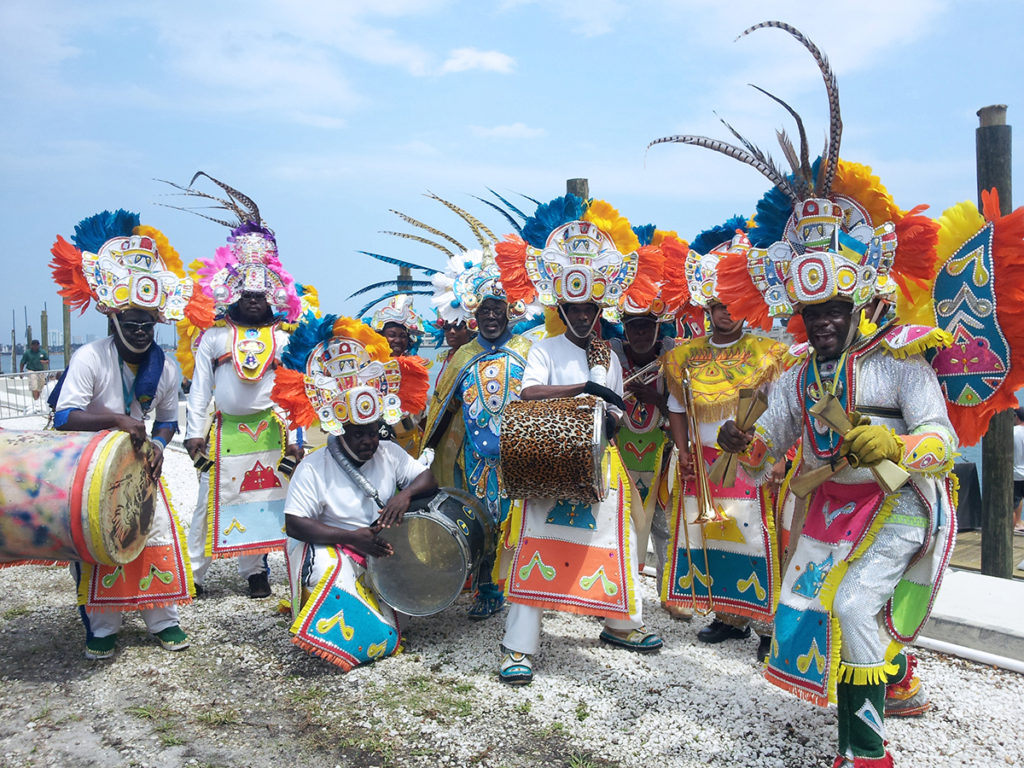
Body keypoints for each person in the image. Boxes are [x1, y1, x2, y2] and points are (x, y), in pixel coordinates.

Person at [493, 196, 665, 685]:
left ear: (599, 307)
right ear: (561, 306)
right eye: (575, 306)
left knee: (616, 540)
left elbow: (613, 408)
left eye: (591, 306)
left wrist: (609, 414)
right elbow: (527, 393)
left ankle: (619, 624)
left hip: (597, 462)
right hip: (547, 462)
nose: (585, 313)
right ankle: (519, 647)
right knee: (535, 544)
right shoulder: (542, 348)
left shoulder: (605, 354)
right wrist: (582, 390)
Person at [49, 209, 200, 659]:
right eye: (130, 322)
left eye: (147, 324)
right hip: (87, 466)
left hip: (138, 465)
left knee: (151, 534)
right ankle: (102, 626)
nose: (139, 331)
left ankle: (162, 619)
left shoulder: (167, 367)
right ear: (113, 319)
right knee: (99, 543)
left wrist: (156, 444)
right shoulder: (91, 357)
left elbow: (169, 419)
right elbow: (65, 417)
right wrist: (116, 420)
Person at [271, 315, 432, 670]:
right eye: (358, 434)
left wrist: (403, 497)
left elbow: (427, 479)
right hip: (329, 545)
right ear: (341, 430)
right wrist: (351, 538)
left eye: (373, 432)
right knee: (330, 573)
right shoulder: (315, 464)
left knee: (400, 608)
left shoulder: (388, 452)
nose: (368, 441)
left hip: (372, 545)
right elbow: (295, 524)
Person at [659, 223, 789, 661]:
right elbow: (677, 410)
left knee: (757, 539)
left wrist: (778, 458)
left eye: (733, 304)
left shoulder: (768, 355)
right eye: (718, 305)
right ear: (708, 307)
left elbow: (783, 411)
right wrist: (682, 452)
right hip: (702, 461)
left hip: (753, 459)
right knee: (716, 537)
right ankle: (729, 617)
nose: (726, 313)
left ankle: (769, 627)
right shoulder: (684, 357)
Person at [179, 183, 305, 599]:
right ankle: (192, 572)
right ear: (233, 292)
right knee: (208, 501)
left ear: (273, 295)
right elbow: (199, 391)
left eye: (260, 294)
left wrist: (296, 439)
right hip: (224, 433)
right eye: (246, 294)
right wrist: (193, 432)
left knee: (264, 500)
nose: (253, 301)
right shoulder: (214, 338)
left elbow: (293, 393)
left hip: (270, 432)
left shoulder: (284, 342)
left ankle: (256, 571)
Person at [421, 240, 533, 619]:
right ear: (474, 314)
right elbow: (443, 405)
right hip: (474, 456)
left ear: (509, 312)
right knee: (481, 517)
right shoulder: (463, 356)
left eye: (497, 310)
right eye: (484, 309)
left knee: (519, 519)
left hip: (520, 455)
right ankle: (485, 588)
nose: (490, 317)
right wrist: (430, 445)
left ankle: (525, 587)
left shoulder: (527, 350)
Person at [608, 230, 689, 620]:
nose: (640, 333)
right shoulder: (610, 357)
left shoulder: (674, 359)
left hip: (662, 454)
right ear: (624, 327)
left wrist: (656, 399)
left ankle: (670, 593)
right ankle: (615, 592)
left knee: (666, 527)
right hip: (619, 453)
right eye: (634, 326)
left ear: (659, 329)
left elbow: (686, 405)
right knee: (616, 523)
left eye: (647, 326)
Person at [366, 295, 429, 455]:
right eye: (392, 334)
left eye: (403, 336)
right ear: (381, 336)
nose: (398, 340)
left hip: (409, 444)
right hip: (376, 443)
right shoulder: (369, 367)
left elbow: (422, 413)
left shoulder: (415, 368)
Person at [19, 339, 49, 414]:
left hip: (40, 371)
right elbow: (22, 362)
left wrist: (44, 362)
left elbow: (48, 361)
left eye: (37, 345)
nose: (36, 346)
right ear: (32, 345)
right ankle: (36, 402)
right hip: (31, 370)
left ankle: (37, 399)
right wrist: (21, 372)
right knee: (34, 386)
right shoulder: (27, 353)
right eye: (34, 345)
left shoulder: (42, 352)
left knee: (40, 387)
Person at [1014, 408, 1024, 535]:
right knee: (1020, 499)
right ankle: (1019, 521)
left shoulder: (1013, 432)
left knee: (1011, 503)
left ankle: (1011, 527)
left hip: (1015, 473)